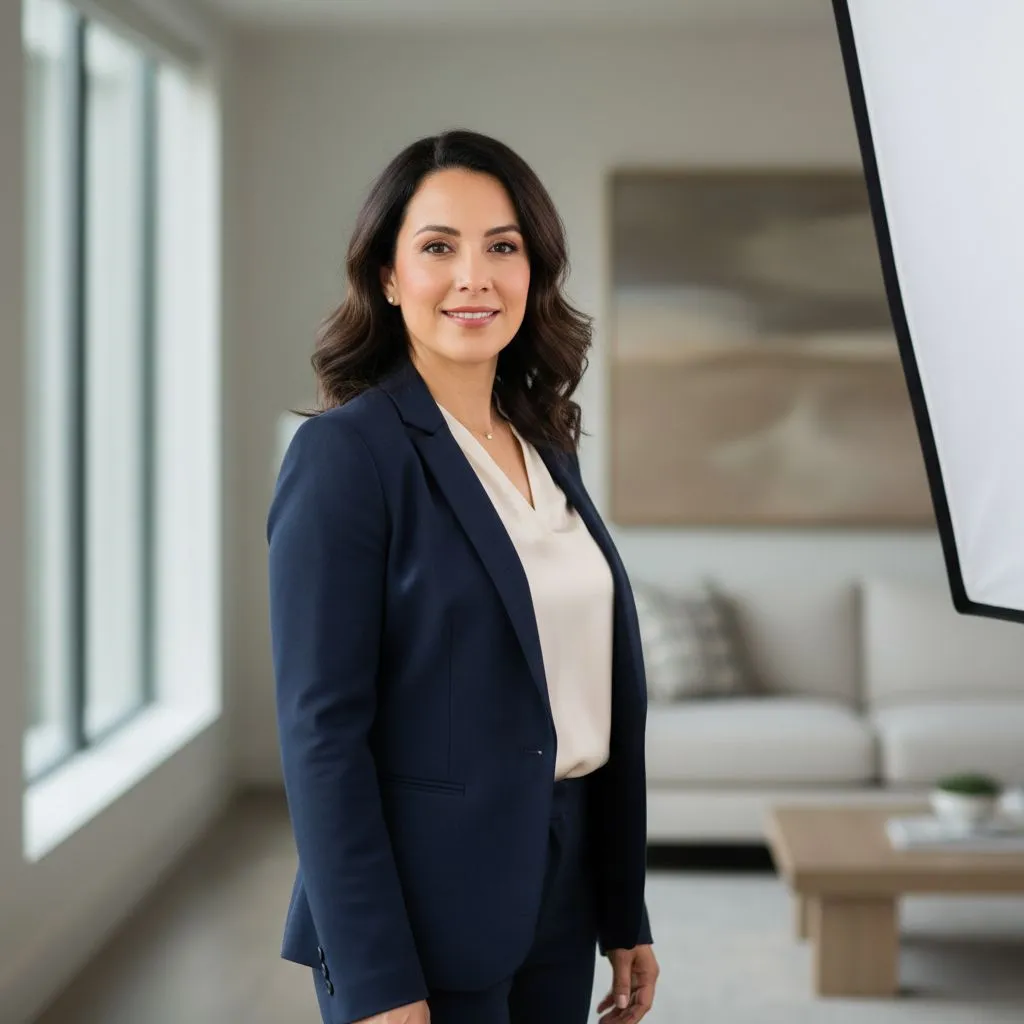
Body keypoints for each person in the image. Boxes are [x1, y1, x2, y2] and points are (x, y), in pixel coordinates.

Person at [267, 128, 659, 1024]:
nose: (474, 276)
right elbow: (321, 735)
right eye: (439, 247)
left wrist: (620, 905)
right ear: (389, 277)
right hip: (421, 913)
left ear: (536, 272)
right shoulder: (345, 457)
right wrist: (375, 975)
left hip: (561, 886)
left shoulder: (547, 446)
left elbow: (581, 687)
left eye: (503, 247)